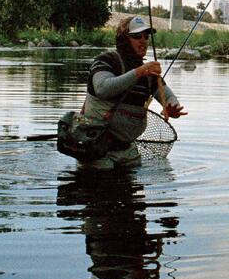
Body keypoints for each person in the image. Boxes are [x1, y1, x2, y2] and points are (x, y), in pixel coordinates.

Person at [75, 15, 186, 169]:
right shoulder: (107, 60)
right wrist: (140, 71)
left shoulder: (149, 74)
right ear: (124, 39)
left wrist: (172, 107)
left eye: (146, 37)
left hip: (127, 153)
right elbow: (102, 89)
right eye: (136, 36)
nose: (143, 40)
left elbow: (169, 96)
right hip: (96, 151)